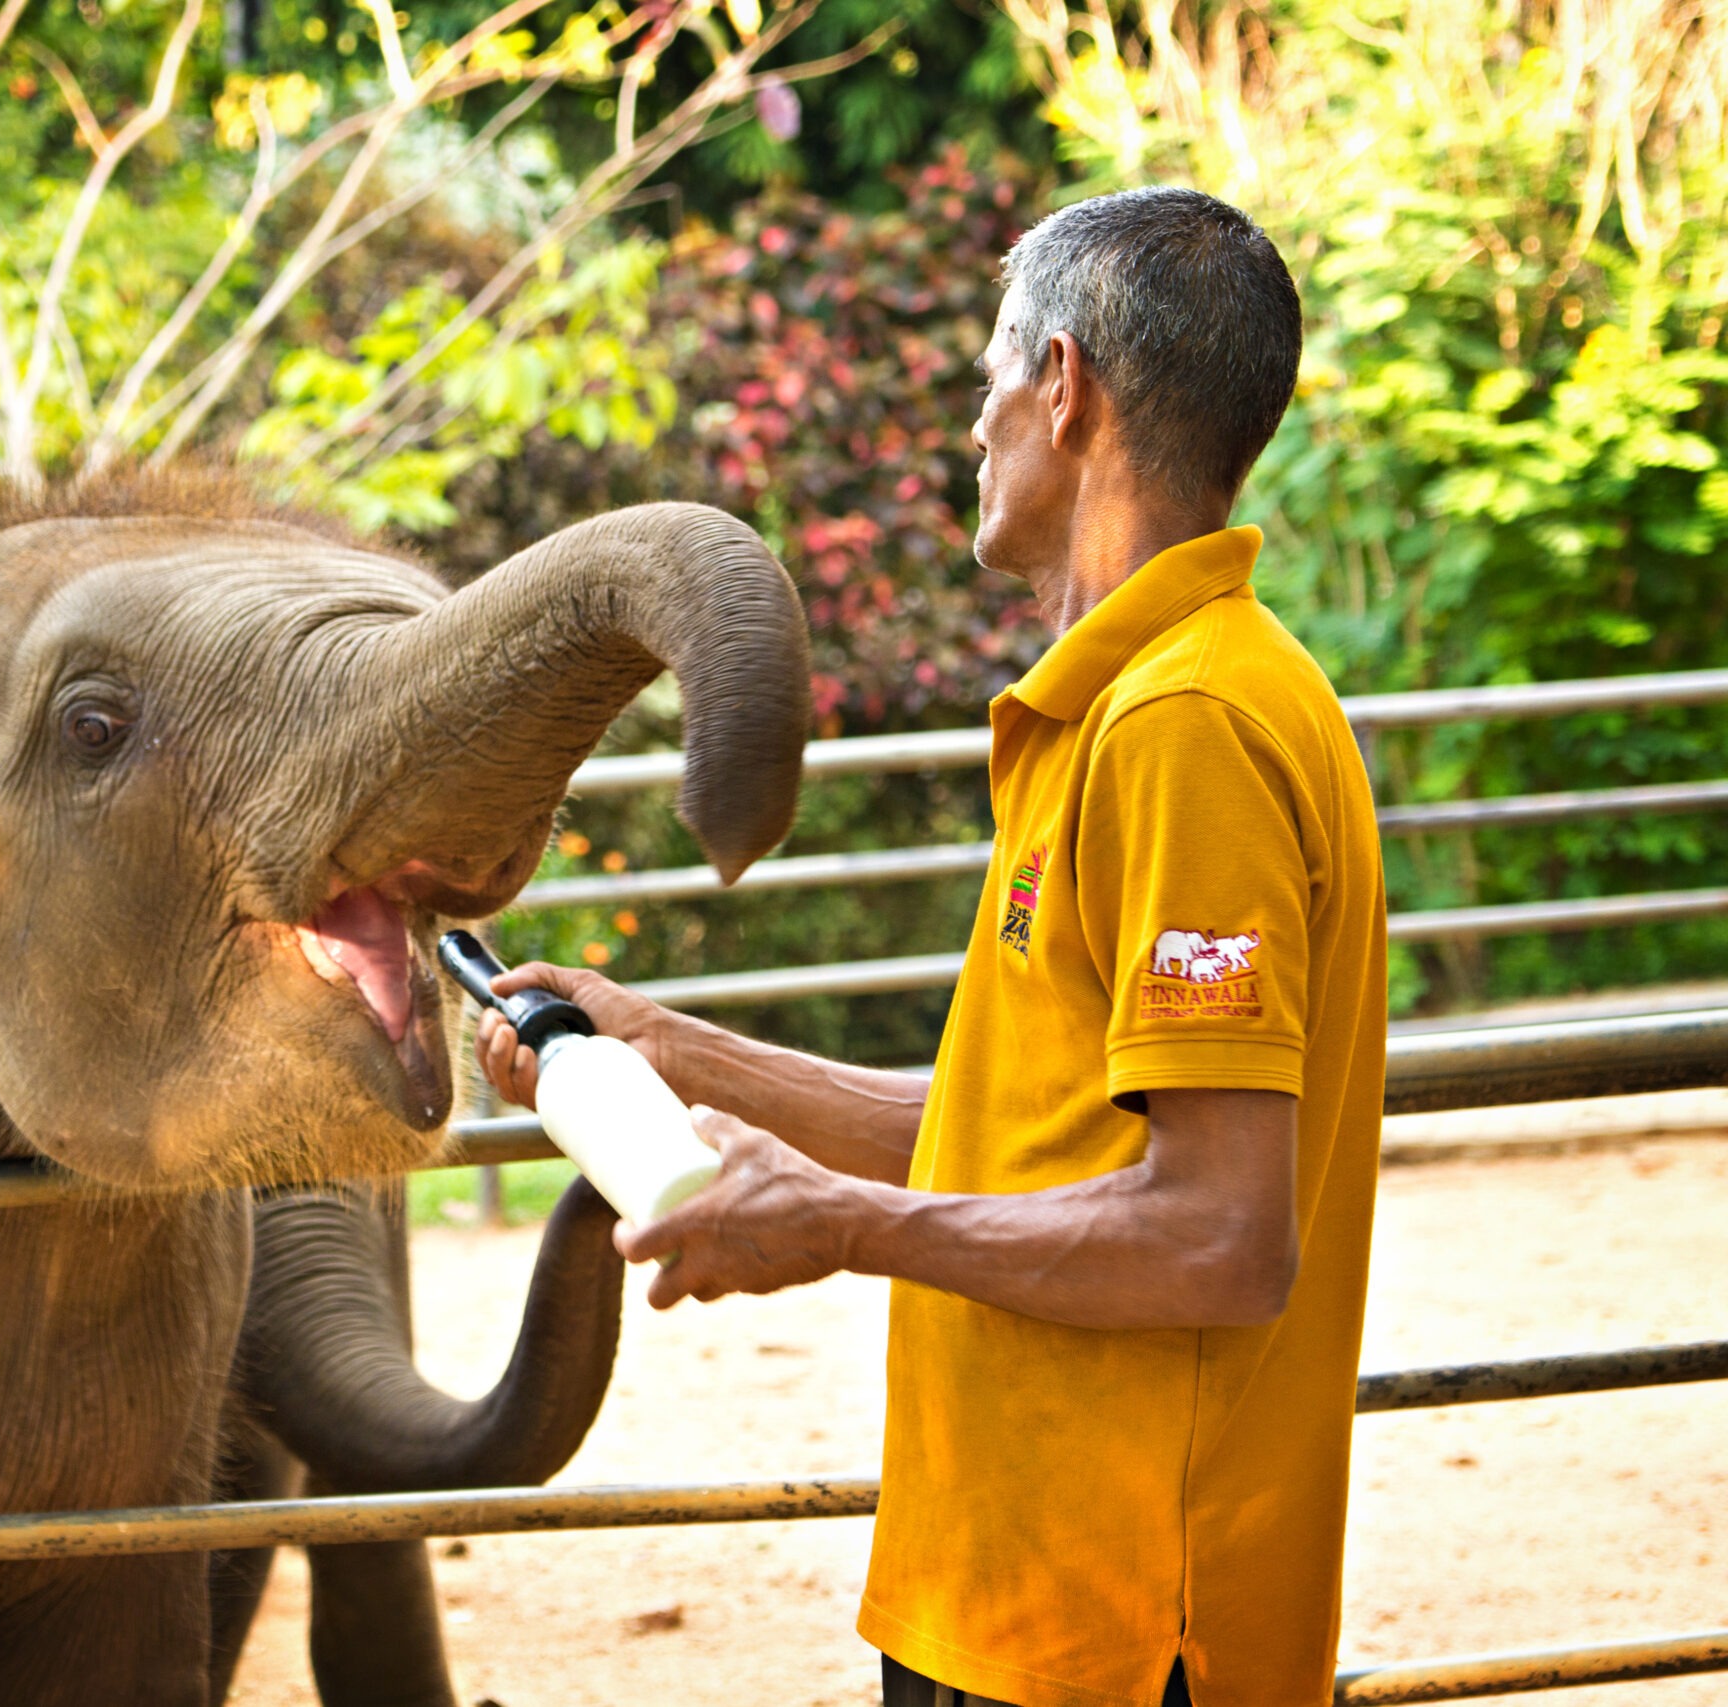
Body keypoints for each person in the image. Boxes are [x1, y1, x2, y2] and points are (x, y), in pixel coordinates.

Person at [477, 187, 1386, 1707]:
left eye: (986, 379)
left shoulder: (1184, 728)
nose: (973, 428)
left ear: (1064, 386)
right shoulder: (1129, 706)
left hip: (1116, 1636)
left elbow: (1221, 1236)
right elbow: (1015, 1147)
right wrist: (664, 1049)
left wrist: (843, 1226)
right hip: (1017, 1597)